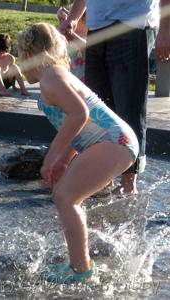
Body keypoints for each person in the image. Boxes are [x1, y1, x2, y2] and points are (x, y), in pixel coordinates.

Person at [18, 23, 139, 283]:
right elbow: (80, 125)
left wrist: (51, 155)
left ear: (28, 54)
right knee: (65, 197)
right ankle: (79, 262)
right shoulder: (56, 75)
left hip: (113, 141)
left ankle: (81, 271)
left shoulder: (51, 77)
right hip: (112, 140)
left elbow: (80, 115)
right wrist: (64, 159)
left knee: (66, 197)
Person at [58, 0, 170, 195]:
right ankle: (104, 178)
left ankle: (128, 181)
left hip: (133, 23)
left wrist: (166, 30)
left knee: (129, 104)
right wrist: (73, 17)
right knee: (99, 110)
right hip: (97, 26)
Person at [57, 6, 87, 82]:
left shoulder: (88, 34)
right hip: (68, 77)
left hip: (84, 78)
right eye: (59, 20)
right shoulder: (66, 35)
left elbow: (87, 48)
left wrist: (72, 35)